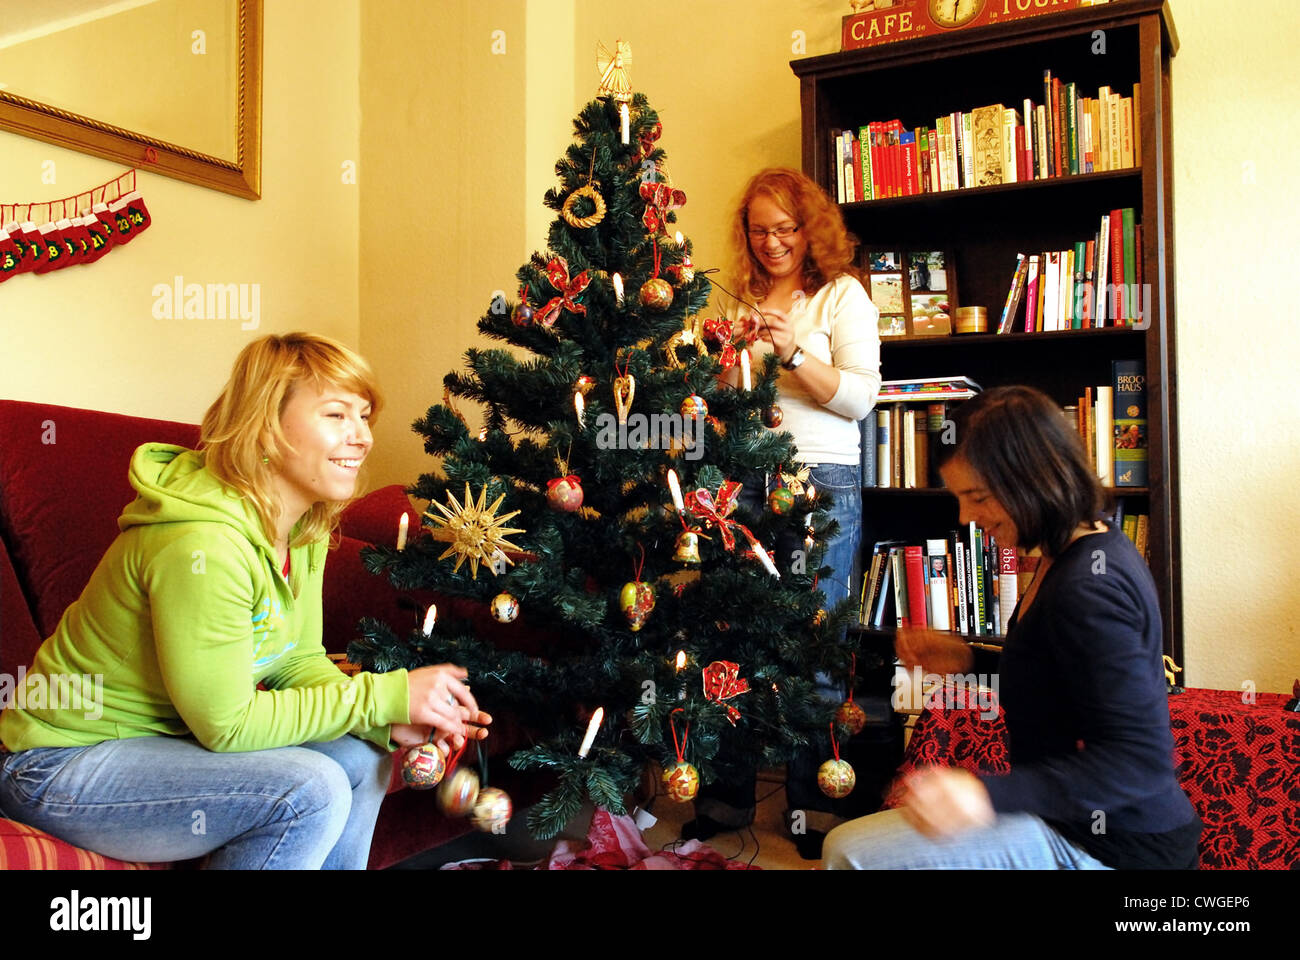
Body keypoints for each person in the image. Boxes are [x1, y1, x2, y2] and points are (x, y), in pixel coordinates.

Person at [0, 333, 491, 869]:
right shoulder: (202, 543)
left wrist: (386, 720)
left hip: (162, 746)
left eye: (365, 416)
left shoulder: (303, 526)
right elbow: (228, 724)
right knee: (310, 789)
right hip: (59, 766)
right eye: (336, 414)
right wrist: (381, 698)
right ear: (265, 428)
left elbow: (296, 661)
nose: (363, 437)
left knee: (360, 755)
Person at [823, 385, 1201, 869]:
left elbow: (1139, 762)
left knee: (851, 853)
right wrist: (966, 660)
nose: (965, 517)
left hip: (1115, 846)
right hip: (1071, 820)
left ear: (1033, 479)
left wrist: (985, 794)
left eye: (976, 496)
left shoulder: (1088, 589)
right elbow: (1056, 682)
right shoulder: (1078, 548)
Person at [686, 167, 881, 855]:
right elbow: (722, 402)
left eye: (785, 230)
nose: (772, 243)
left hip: (822, 480)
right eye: (759, 230)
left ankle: (813, 808)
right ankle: (726, 797)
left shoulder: (842, 297)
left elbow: (859, 400)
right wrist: (720, 365)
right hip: (744, 480)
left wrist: (792, 350)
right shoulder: (741, 301)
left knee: (815, 649)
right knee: (731, 639)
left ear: (810, 230)